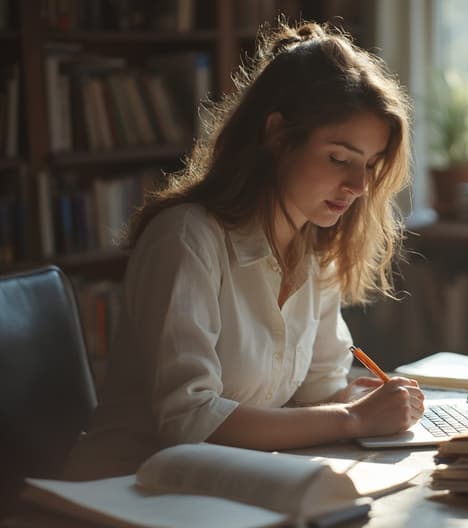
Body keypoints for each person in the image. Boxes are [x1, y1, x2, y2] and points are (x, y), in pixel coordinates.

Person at [65, 20, 424, 480]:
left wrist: (367, 402)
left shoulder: (313, 247)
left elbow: (320, 389)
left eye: (370, 165)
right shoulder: (186, 238)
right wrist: (354, 419)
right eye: (339, 158)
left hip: (227, 485)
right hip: (125, 490)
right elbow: (189, 422)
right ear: (276, 135)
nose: (358, 186)